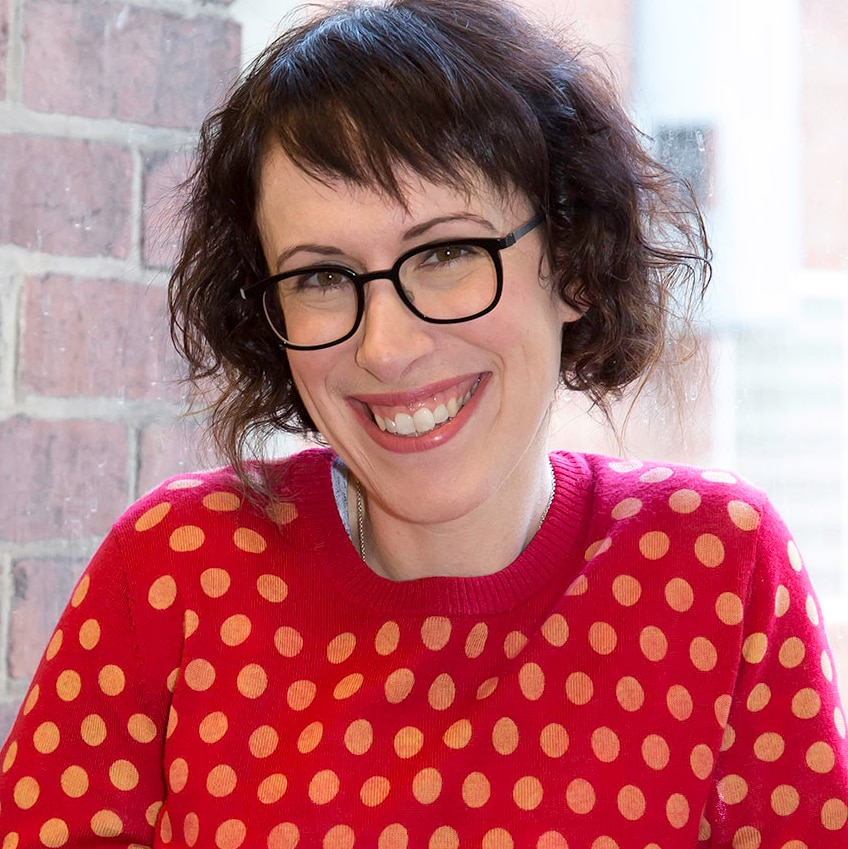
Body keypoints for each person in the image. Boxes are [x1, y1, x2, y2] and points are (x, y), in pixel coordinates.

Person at [1, 0, 846, 846]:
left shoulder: (717, 570)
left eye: (446, 254)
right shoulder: (172, 573)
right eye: (322, 276)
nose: (387, 346)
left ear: (574, 259)